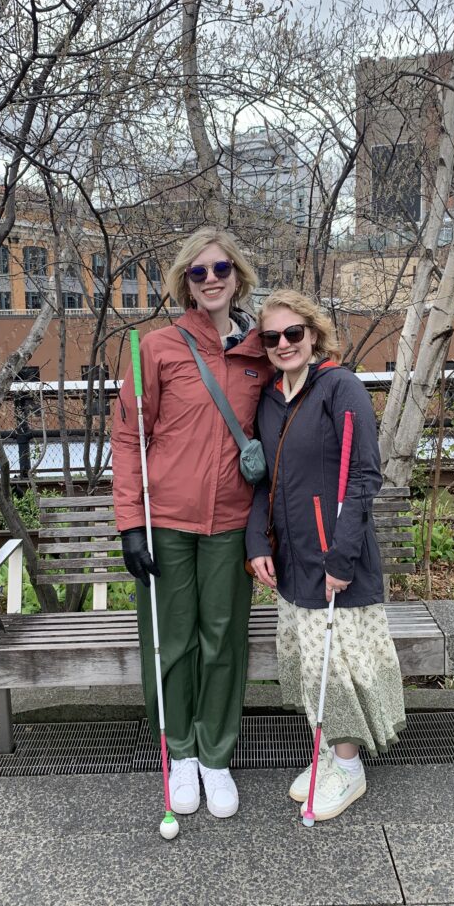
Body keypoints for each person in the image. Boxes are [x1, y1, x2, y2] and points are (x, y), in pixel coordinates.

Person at [112, 226, 272, 820]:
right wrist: (131, 522)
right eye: (199, 271)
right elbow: (128, 437)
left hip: (231, 524)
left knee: (223, 641)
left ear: (238, 277)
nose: (211, 279)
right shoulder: (156, 347)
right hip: (168, 523)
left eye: (221, 269)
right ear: (185, 280)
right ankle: (180, 751)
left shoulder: (261, 351)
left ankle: (215, 755)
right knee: (173, 641)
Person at [246, 290, 406, 822]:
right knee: (312, 665)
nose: (284, 344)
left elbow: (364, 476)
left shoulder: (341, 388)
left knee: (337, 666)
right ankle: (326, 752)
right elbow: (265, 484)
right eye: (272, 337)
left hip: (336, 561)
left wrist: (341, 557)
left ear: (313, 334)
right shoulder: (269, 401)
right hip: (291, 563)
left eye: (294, 333)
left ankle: (348, 766)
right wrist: (256, 544)